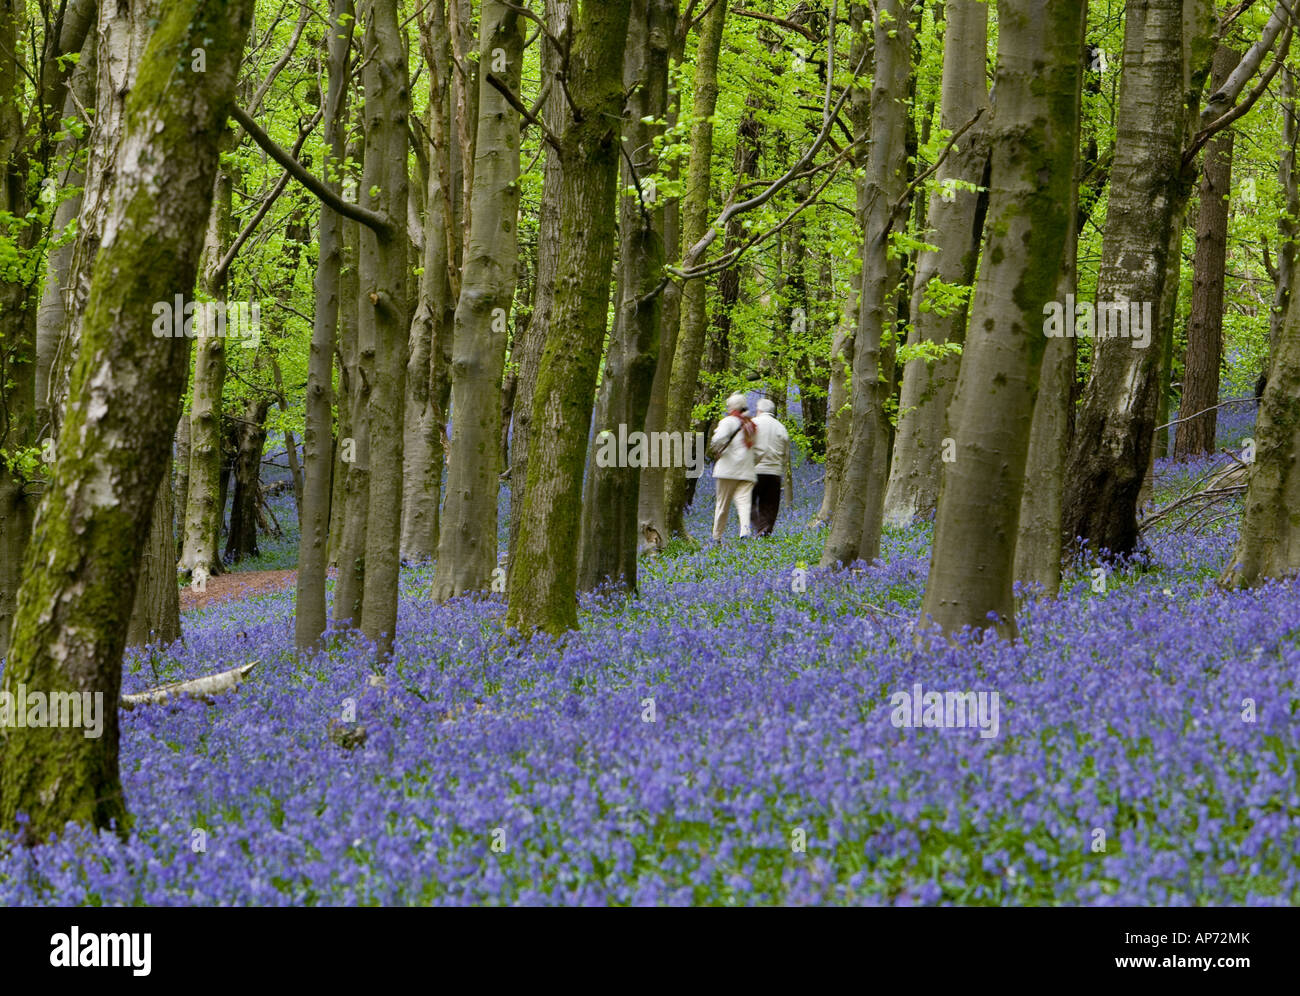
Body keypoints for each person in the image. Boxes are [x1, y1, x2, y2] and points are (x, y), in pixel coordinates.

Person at [710, 393, 763, 539]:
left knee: (722, 505)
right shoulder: (751, 425)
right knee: (744, 503)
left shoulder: (728, 421)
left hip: (727, 470)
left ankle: (716, 536)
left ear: (732, 407)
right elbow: (758, 450)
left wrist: (716, 449)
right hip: (746, 471)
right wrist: (753, 463)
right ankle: (745, 532)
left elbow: (718, 439)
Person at [750, 398, 790, 536]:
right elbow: (786, 452)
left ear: (759, 410)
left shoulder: (753, 424)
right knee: (770, 505)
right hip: (774, 472)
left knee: (747, 501)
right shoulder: (781, 427)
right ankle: (765, 531)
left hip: (754, 470)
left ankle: (758, 527)